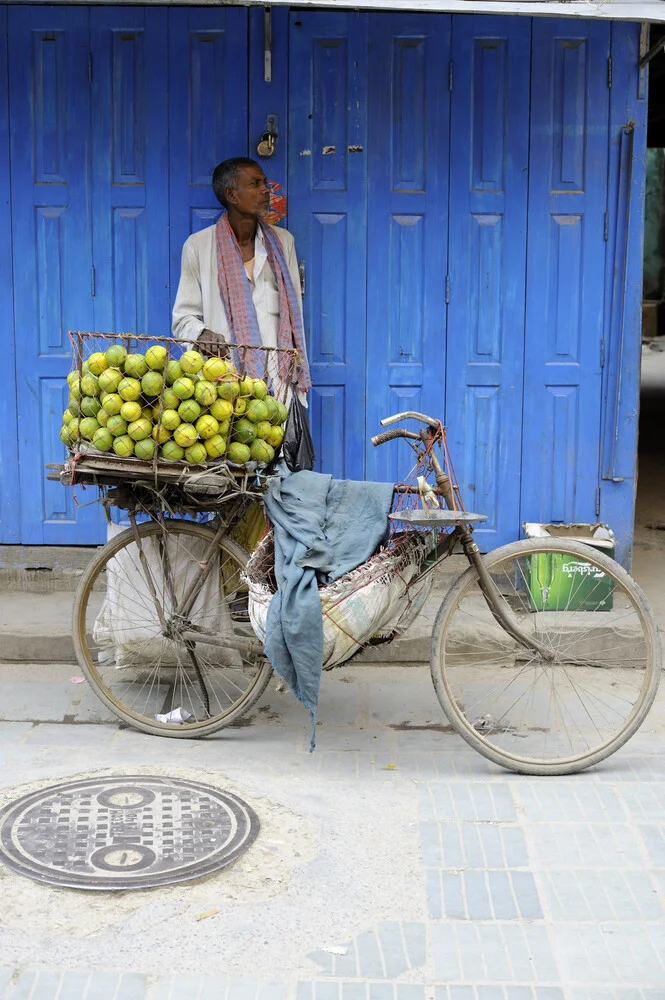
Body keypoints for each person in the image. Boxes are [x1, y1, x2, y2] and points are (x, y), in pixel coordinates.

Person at [172, 156, 310, 398]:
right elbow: (183, 319)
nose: (266, 190)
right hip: (223, 385)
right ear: (232, 195)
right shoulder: (198, 246)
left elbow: (294, 310)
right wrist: (202, 334)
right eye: (255, 184)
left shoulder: (283, 242)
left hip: (279, 382)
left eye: (264, 182)